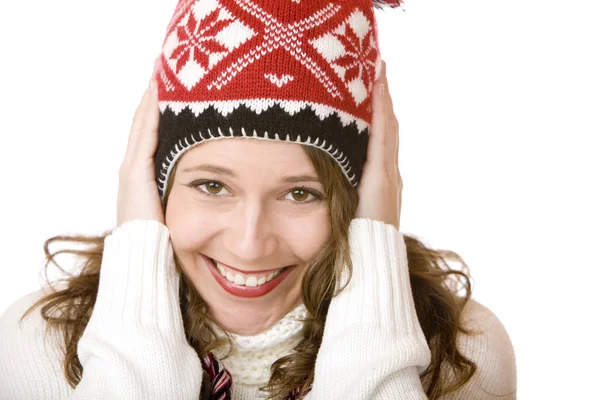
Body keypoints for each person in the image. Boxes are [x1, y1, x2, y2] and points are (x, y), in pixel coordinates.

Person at [0, 0, 517, 398]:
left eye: (300, 193)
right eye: (211, 185)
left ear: (361, 200)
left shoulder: (459, 349)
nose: (249, 245)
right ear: (153, 185)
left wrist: (372, 316)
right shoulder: (42, 342)